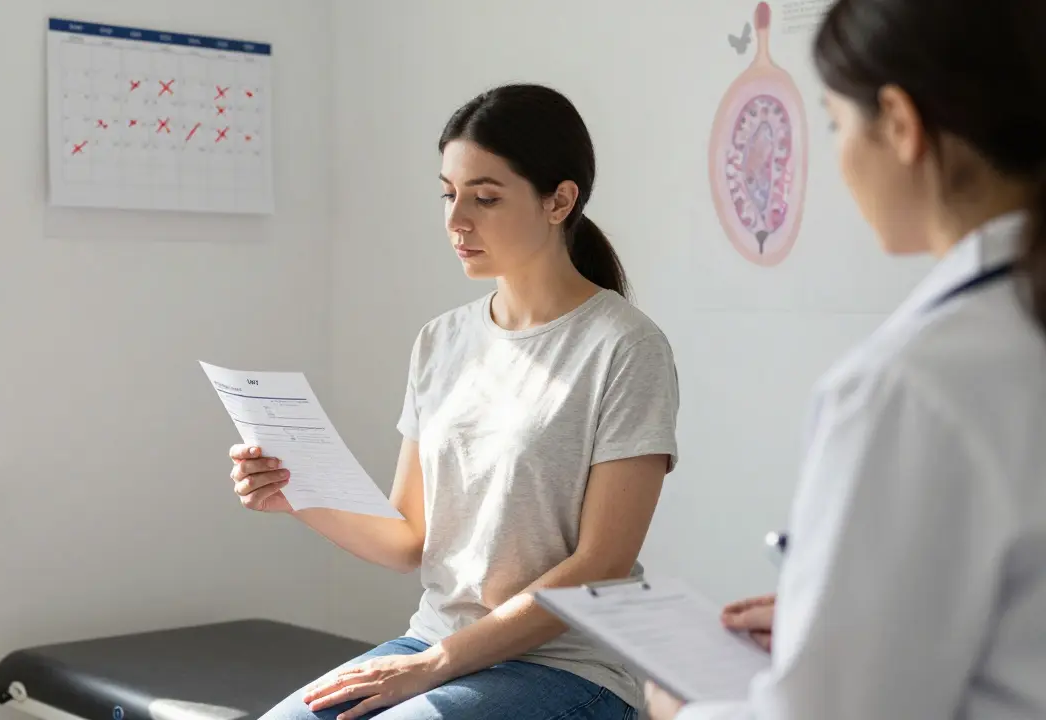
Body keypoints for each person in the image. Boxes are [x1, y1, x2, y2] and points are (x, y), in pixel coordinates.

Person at [644, 0, 1046, 717]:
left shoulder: (911, 386)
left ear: (898, 122)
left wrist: (682, 711)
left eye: (833, 123)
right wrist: (831, 621)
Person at [229, 83, 680, 720]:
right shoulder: (441, 340)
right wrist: (294, 493)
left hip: (568, 668)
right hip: (435, 641)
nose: (456, 220)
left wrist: (434, 667)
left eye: (486, 198)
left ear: (559, 201)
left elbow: (600, 565)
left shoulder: (625, 347)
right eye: (448, 194)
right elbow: (410, 538)